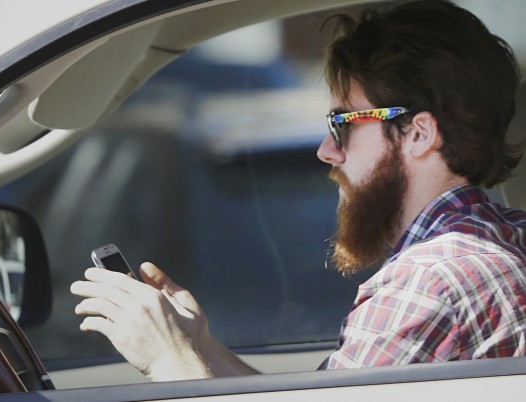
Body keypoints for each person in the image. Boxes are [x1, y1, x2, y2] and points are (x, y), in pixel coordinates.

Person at [70, 0, 526, 380]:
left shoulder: (427, 284)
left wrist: (167, 356)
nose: (327, 150)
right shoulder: (505, 237)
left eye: (342, 123)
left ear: (419, 135)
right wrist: (200, 346)